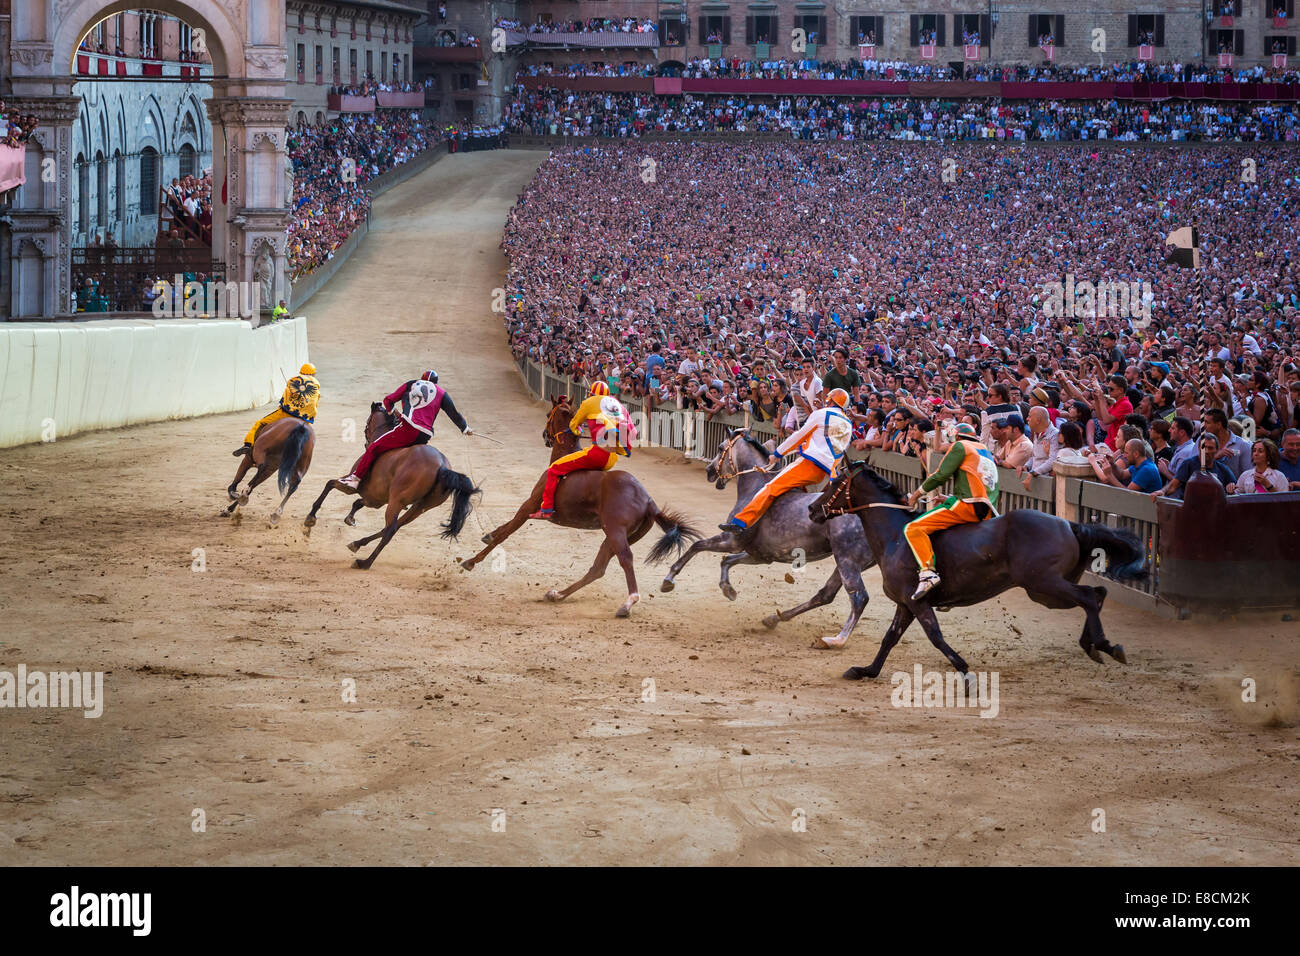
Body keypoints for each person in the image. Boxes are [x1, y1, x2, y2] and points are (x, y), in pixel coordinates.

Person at [720, 387, 854, 533]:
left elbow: (798, 436)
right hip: (826, 475)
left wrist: (777, 453)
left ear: (830, 400)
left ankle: (741, 522)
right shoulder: (848, 424)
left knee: (770, 488)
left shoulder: (821, 413)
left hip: (808, 465)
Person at [904, 421, 999, 599]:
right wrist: (950, 498)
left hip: (968, 506)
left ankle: (927, 573)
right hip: (987, 509)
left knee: (913, 528)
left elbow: (941, 475)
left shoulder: (959, 446)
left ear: (956, 437)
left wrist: (916, 494)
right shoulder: (984, 449)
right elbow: (978, 483)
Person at [338, 370, 471, 489]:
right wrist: (465, 428)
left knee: (374, 447)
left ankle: (355, 479)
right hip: (424, 435)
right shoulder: (442, 393)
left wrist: (394, 412)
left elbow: (388, 400)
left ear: (422, 379)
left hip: (409, 429)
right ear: (436, 383)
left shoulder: (412, 384)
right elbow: (454, 413)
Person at [530, 381, 633, 519]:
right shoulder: (617, 405)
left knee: (554, 469)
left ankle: (547, 508)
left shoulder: (589, 403)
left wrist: (576, 429)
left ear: (591, 394)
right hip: (612, 458)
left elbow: (574, 425)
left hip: (598, 454)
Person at [234, 362, 321, 457]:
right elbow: (313, 406)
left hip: (285, 414)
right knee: (307, 436)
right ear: (313, 374)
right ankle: (300, 455)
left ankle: (248, 444)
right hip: (303, 419)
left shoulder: (293, 381)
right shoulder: (316, 388)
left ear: (301, 372)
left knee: (260, 423)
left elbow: (286, 397)